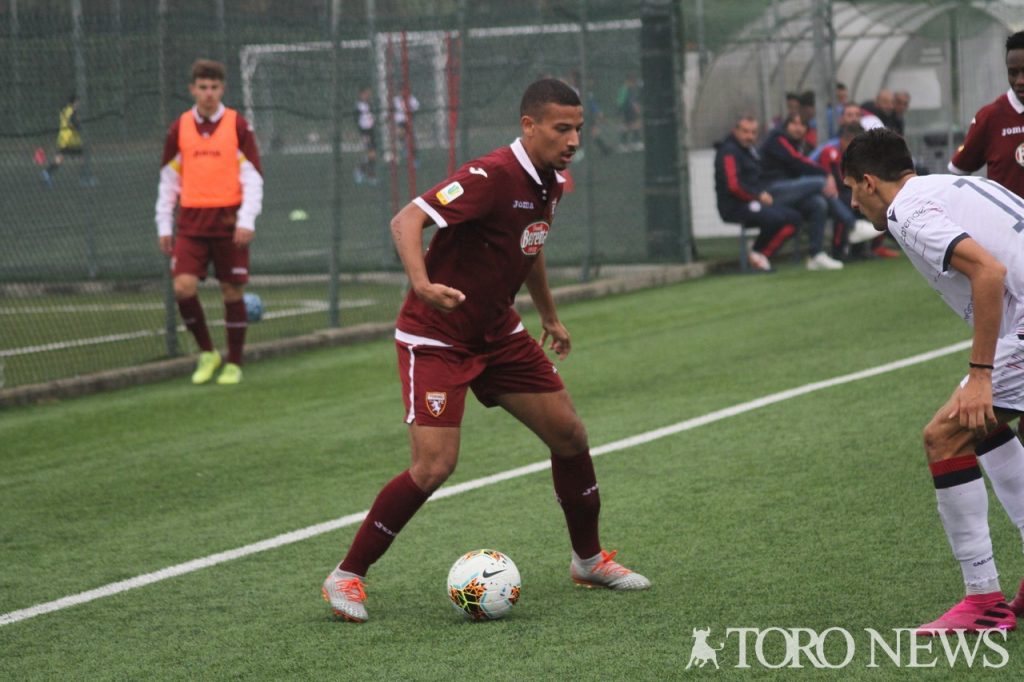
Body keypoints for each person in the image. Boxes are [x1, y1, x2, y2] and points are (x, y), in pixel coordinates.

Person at [321, 78, 651, 623]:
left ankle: (589, 560)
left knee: (569, 435)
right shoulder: (491, 174)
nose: (572, 139)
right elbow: (406, 220)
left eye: (578, 129)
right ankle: (347, 576)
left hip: (498, 332)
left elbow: (531, 241)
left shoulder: (552, 182)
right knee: (434, 466)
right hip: (436, 336)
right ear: (529, 126)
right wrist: (424, 285)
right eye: (561, 128)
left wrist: (548, 314)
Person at [842, 127, 1024, 634]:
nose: (853, 203)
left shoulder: (908, 212)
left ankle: (983, 600)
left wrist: (980, 376)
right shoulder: (946, 188)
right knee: (984, 427)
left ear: (870, 182)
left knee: (944, 435)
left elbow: (986, 274)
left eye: (851, 189)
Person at [154, 59, 264, 386]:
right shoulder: (180, 128)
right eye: (202, 87)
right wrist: (163, 224)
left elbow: (253, 178)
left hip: (230, 223)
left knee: (232, 291)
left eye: (214, 87)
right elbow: (167, 181)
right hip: (191, 223)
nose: (208, 93)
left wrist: (247, 219)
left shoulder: (237, 125)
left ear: (222, 89)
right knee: (182, 286)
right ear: (192, 89)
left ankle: (234, 361)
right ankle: (207, 352)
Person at [760, 114, 864, 270]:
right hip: (769, 191)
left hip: (787, 190)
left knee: (818, 203)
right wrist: (825, 174)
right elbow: (796, 162)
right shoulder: (777, 139)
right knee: (821, 183)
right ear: (785, 125)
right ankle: (853, 225)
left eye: (802, 125)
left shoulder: (798, 145)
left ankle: (815, 255)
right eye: (794, 123)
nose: (798, 128)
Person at [713, 115, 800, 271]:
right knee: (776, 218)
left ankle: (760, 254)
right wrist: (757, 196)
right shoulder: (728, 152)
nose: (749, 136)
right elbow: (733, 186)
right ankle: (758, 254)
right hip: (735, 206)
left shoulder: (749, 151)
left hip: (753, 202)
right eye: (745, 132)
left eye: (753, 133)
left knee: (794, 218)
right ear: (735, 131)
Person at [948, 31, 1024, 200]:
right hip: (1006, 225)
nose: (1019, 81)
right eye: (1013, 73)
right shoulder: (990, 117)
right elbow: (958, 172)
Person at [41, 95, 85, 187]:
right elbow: (73, 121)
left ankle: (47, 173)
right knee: (82, 157)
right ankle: (84, 178)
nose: (79, 104)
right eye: (78, 102)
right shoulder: (72, 111)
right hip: (70, 140)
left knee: (59, 158)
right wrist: (80, 127)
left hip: (63, 139)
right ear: (74, 102)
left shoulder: (65, 110)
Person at [354, 86, 378, 185]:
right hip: (365, 132)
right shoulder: (359, 106)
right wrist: (362, 134)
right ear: (361, 94)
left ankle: (362, 171)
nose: (368, 95)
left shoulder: (369, 105)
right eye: (366, 93)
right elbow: (357, 121)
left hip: (371, 131)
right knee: (371, 155)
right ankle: (365, 173)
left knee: (372, 155)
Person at [392, 90, 420, 166]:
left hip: (408, 121)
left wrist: (411, 113)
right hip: (400, 121)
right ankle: (404, 147)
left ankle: (414, 158)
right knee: (401, 134)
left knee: (412, 140)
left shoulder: (411, 98)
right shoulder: (396, 100)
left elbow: (416, 106)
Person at [617, 74, 642, 150]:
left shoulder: (631, 89)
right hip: (626, 111)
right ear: (628, 81)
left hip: (630, 111)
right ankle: (623, 144)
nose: (633, 84)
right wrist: (621, 113)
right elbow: (620, 102)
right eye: (632, 82)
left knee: (635, 125)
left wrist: (636, 107)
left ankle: (635, 142)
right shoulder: (624, 89)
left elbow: (633, 101)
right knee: (626, 126)